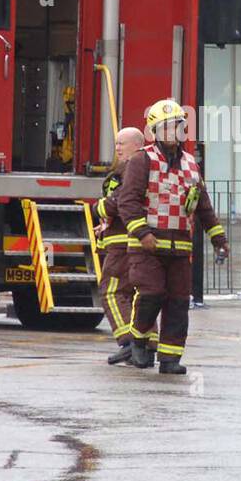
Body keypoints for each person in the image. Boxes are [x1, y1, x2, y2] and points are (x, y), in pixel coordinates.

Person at [116, 99, 229, 375]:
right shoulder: (142, 160)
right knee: (151, 294)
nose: (173, 131)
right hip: (148, 247)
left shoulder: (191, 164)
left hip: (179, 248)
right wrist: (142, 233)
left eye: (177, 125)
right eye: (166, 127)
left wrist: (219, 240)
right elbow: (127, 201)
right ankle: (139, 339)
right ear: (155, 131)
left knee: (178, 303)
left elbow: (203, 206)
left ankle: (170, 359)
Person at [94, 126, 149, 365]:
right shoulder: (141, 166)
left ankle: (128, 341)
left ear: (137, 145)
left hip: (123, 243)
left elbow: (120, 201)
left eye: (122, 143)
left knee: (112, 291)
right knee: (139, 295)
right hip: (131, 240)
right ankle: (146, 346)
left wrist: (100, 208)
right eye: (116, 143)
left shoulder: (132, 168)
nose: (117, 148)